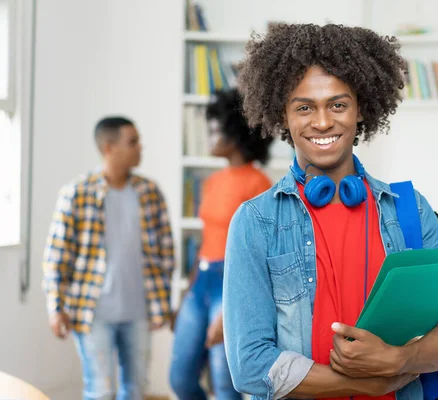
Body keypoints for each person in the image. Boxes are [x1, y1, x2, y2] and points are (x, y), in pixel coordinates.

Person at [223, 23, 438, 400]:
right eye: (305, 107)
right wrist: (363, 382)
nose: (323, 121)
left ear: (360, 108)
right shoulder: (255, 222)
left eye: (338, 104)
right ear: (284, 115)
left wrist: (401, 358)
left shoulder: (410, 210)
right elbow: (249, 365)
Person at [42, 116, 175, 400]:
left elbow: (166, 253)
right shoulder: (76, 193)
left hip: (138, 312)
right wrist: (55, 306)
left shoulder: (150, 193)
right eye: (133, 142)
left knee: (136, 389)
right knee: (101, 391)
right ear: (109, 148)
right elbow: (57, 256)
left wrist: (162, 304)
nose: (141, 147)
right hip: (92, 312)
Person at [169, 88, 274, 400]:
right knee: (180, 379)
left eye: (216, 130)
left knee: (225, 386)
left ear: (236, 134)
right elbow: (206, 241)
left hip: (232, 284)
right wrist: (186, 294)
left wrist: (232, 312)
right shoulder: (212, 182)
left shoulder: (258, 184)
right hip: (201, 281)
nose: (210, 137)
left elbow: (259, 255)